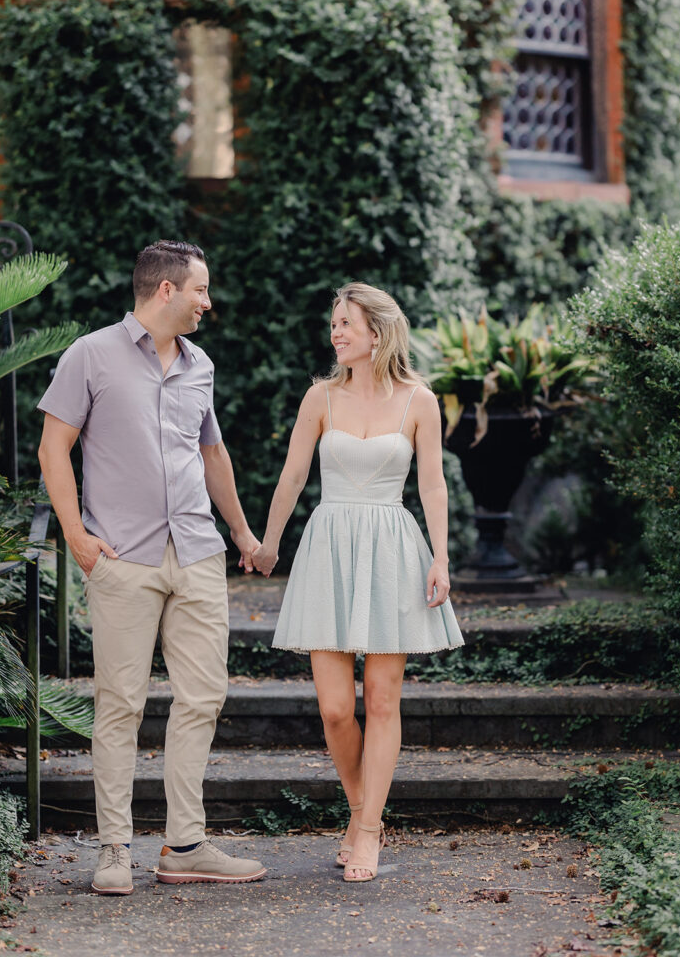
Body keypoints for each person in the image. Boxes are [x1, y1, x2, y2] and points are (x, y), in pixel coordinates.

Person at [37, 240, 266, 894]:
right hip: (122, 557)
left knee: (203, 697)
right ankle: (114, 850)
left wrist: (242, 533)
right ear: (166, 290)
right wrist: (77, 537)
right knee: (119, 706)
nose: (207, 302)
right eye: (200, 289)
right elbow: (54, 448)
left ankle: (185, 846)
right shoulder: (91, 354)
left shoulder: (200, 365)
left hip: (196, 552)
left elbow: (212, 454)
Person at [253, 282, 464, 883]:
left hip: (393, 549)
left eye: (346, 322)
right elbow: (293, 476)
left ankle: (368, 831)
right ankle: (360, 810)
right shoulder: (319, 397)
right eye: (334, 323)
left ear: (378, 331)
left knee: (384, 698)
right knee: (336, 708)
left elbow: (433, 485)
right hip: (329, 550)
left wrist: (441, 558)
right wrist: (269, 542)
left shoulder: (420, 401)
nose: (336, 332)